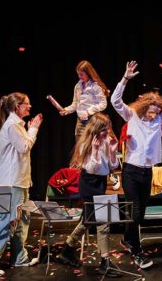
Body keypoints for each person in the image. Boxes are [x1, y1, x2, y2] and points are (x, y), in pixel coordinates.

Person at [111, 60, 162, 269]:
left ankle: (126, 239)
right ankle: (136, 250)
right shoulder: (131, 115)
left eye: (156, 112)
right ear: (142, 108)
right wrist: (125, 79)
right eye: (150, 111)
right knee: (136, 211)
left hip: (148, 171)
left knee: (139, 213)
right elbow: (115, 101)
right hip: (131, 171)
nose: (153, 115)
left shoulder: (159, 118)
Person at [0, 93, 42, 277]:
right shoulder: (12, 125)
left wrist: (29, 130)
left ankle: (18, 257)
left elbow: (22, 149)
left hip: (21, 180)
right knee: (9, 221)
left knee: (22, 219)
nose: (30, 107)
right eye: (27, 104)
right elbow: (24, 147)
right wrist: (34, 129)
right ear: (17, 107)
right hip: (13, 180)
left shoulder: (17, 125)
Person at [57, 113, 120, 277]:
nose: (107, 132)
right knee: (102, 222)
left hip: (100, 183)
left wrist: (112, 153)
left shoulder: (106, 140)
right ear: (96, 129)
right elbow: (92, 168)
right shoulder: (85, 143)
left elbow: (113, 165)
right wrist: (97, 151)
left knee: (88, 220)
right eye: (104, 129)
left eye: (108, 128)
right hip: (89, 183)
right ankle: (105, 261)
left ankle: (67, 249)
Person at [61, 60, 109, 141]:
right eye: (78, 74)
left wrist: (88, 111)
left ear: (88, 73)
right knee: (79, 148)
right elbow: (75, 104)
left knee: (91, 146)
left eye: (81, 74)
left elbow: (103, 104)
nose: (79, 76)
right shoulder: (77, 86)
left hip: (92, 120)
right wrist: (66, 110)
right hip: (80, 121)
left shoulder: (95, 86)